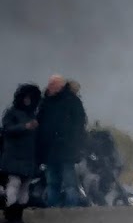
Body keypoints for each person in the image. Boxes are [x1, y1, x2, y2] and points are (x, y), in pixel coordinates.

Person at [35, 75, 87, 207]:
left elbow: (79, 126)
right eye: (50, 83)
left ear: (61, 86)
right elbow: (40, 125)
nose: (50, 86)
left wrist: (74, 145)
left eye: (53, 84)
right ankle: (53, 208)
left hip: (66, 151)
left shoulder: (72, 102)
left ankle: (71, 209)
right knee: (52, 182)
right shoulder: (45, 102)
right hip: (50, 151)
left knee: (69, 182)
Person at [2, 84, 42, 209]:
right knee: (14, 182)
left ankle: (19, 212)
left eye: (30, 98)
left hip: (28, 157)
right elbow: (7, 129)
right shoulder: (11, 113)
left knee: (25, 185)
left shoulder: (32, 115)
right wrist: (25, 127)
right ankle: (11, 210)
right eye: (25, 98)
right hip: (14, 156)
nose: (27, 100)